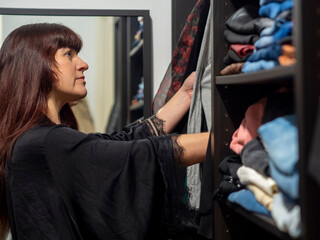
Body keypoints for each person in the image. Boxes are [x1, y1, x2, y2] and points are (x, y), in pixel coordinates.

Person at [0, 23, 209, 240]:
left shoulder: (35, 138)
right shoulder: (44, 141)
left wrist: (186, 94)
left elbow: (119, 142)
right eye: (69, 55)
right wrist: (228, 139)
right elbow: (138, 155)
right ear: (36, 64)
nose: (83, 64)